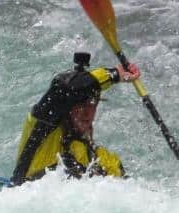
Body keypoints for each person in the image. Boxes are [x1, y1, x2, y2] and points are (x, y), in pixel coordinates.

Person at [10, 52, 140, 186]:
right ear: (66, 108)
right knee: (67, 168)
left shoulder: (103, 159)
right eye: (80, 105)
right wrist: (113, 74)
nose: (87, 112)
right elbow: (63, 89)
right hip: (30, 196)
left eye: (91, 104)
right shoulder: (41, 129)